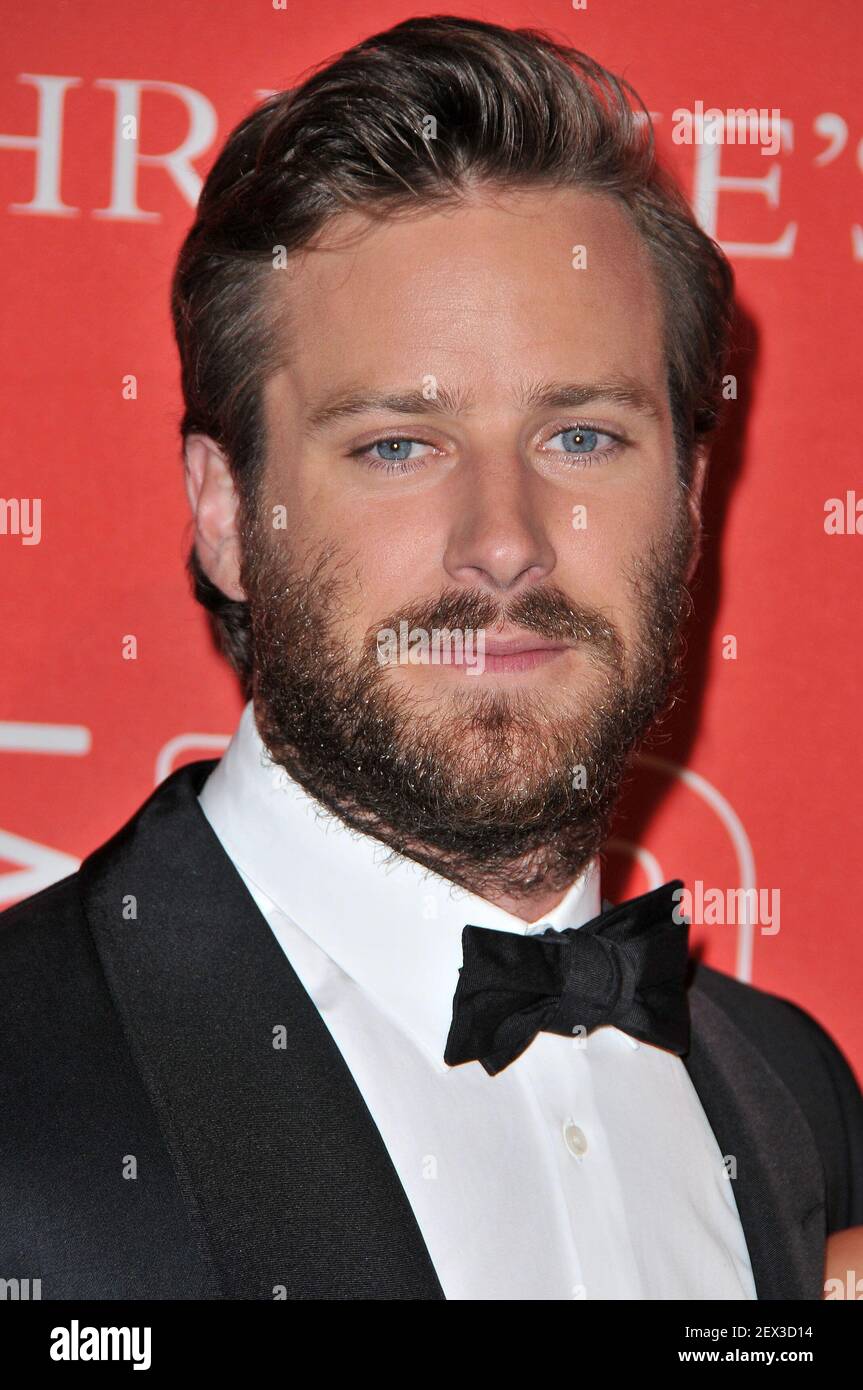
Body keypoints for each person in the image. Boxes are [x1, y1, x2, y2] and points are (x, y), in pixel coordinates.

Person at [1, 15, 861, 1301]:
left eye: (580, 436)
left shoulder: (793, 1091)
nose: (504, 545)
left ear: (688, 497)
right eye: (398, 445)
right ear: (228, 510)